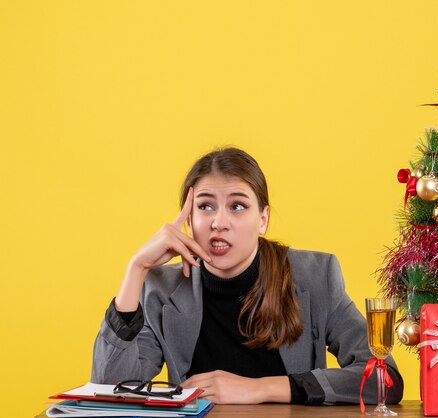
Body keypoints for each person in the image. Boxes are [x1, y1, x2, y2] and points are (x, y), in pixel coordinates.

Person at [91, 147, 404, 405]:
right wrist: (136, 269)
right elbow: (109, 392)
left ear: (263, 219)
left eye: (238, 206)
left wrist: (260, 389)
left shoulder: (316, 276)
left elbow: (383, 378)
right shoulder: (160, 288)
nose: (219, 222)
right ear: (188, 220)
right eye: (205, 207)